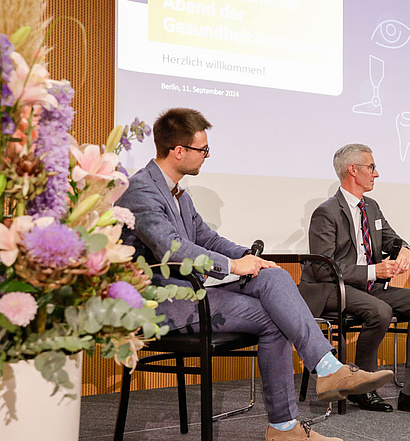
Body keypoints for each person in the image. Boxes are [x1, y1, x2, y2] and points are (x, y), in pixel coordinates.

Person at [116, 109, 393, 441]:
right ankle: (287, 423)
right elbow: (171, 249)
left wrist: (248, 258)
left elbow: (206, 238)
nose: (206, 156)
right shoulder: (141, 190)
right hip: (164, 305)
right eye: (203, 150)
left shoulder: (179, 194)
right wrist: (233, 266)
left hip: (193, 295)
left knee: (273, 278)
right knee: (274, 318)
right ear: (178, 151)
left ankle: (324, 375)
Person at [299, 143, 410, 416]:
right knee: (380, 310)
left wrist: (405, 249)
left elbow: (394, 240)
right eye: (371, 167)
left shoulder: (372, 206)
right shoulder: (326, 212)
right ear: (352, 170)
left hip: (367, 288)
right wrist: (374, 271)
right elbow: (324, 269)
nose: (376, 173)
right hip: (333, 289)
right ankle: (361, 386)